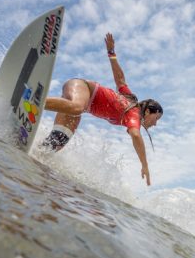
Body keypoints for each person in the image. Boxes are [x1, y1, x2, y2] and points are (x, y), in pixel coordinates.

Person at [42, 33, 163, 186]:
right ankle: (33, 98)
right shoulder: (133, 113)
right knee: (77, 107)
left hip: (78, 108)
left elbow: (120, 80)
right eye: (156, 118)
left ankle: (32, 151)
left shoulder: (129, 101)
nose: (155, 124)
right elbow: (135, 135)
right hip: (82, 88)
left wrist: (112, 53)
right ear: (147, 111)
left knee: (54, 145)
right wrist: (145, 165)